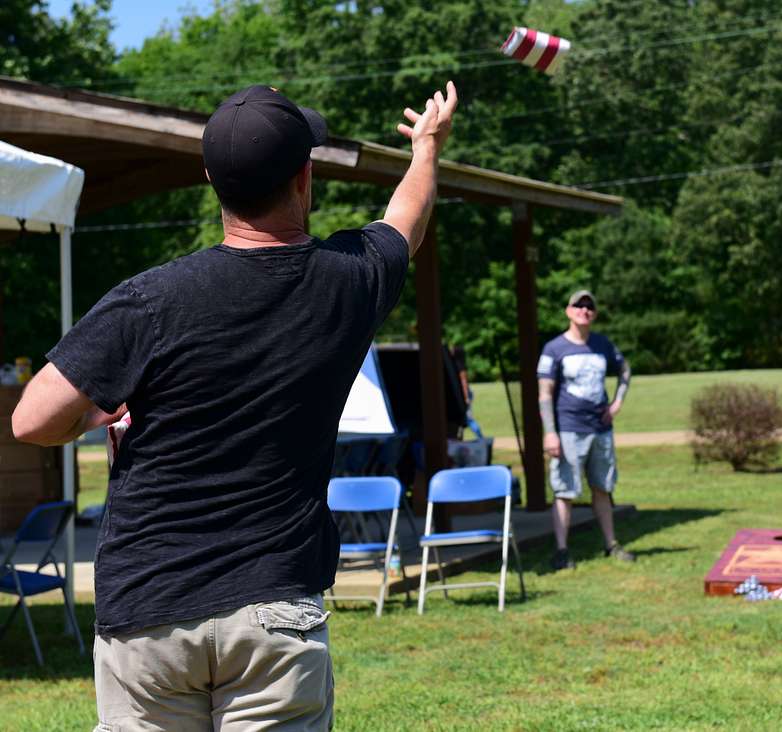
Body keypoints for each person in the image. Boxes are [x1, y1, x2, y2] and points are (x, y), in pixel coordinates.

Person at [12, 81, 457, 730]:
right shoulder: (347, 280)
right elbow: (405, 222)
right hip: (274, 612)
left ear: (210, 181)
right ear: (305, 177)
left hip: (147, 613)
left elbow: (31, 419)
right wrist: (426, 150)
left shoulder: (150, 300)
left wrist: (95, 416)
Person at [537, 289, 633, 571]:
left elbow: (625, 370)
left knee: (602, 487)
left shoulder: (603, 345)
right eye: (579, 305)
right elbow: (544, 393)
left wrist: (616, 403)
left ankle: (611, 543)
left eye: (589, 306)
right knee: (565, 491)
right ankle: (562, 551)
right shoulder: (554, 349)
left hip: (601, 429)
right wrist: (550, 432)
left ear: (595, 314)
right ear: (568, 311)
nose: (584, 310)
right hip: (568, 429)